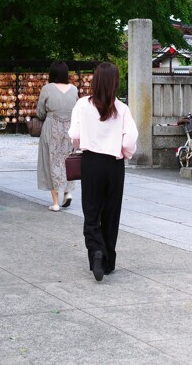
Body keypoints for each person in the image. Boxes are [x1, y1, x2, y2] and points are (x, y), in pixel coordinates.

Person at [68, 62, 138, 282]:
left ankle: (96, 251)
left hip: (91, 162)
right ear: (115, 83)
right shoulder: (122, 109)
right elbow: (130, 140)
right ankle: (108, 262)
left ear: (95, 81)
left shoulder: (82, 105)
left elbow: (75, 134)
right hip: (114, 164)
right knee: (111, 214)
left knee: (91, 214)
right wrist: (123, 153)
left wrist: (84, 141)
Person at [36, 61, 78, 212]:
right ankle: (68, 192)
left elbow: (40, 112)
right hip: (69, 127)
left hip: (52, 126)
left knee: (51, 160)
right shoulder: (74, 89)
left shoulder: (47, 89)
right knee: (67, 159)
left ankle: (55, 202)